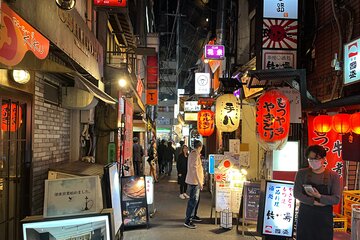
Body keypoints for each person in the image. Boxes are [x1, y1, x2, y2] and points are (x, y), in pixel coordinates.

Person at [294, 145, 341, 240]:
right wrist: (313, 202)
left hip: (324, 218)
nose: (313, 162)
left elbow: (336, 199)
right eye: (310, 159)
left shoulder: (333, 176)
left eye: (316, 159)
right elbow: (296, 193)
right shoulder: (302, 173)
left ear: (324, 159)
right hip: (305, 216)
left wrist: (319, 196)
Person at [184, 140, 204, 229]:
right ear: (200, 147)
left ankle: (193, 216)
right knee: (193, 201)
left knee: (196, 200)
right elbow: (194, 169)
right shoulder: (194, 154)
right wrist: (199, 182)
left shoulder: (194, 154)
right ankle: (188, 220)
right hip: (194, 181)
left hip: (195, 181)